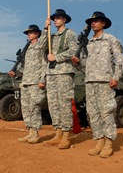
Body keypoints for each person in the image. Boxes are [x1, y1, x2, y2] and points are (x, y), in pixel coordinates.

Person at [72, 11, 123, 158]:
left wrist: (116, 77)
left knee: (106, 112)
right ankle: (99, 141)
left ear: (104, 23)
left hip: (105, 82)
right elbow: (85, 66)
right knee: (93, 114)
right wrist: (77, 64)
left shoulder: (110, 39)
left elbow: (120, 60)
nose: (93, 23)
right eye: (91, 22)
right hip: (90, 82)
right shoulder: (88, 43)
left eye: (96, 21)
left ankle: (108, 142)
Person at [43, 9, 79, 149]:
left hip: (64, 73)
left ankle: (66, 134)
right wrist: (46, 28)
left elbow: (74, 50)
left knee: (64, 104)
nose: (55, 20)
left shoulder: (70, 33)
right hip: (51, 73)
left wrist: (56, 57)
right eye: (54, 18)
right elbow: (41, 45)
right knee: (53, 104)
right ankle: (57, 132)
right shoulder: (52, 36)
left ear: (64, 19)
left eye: (58, 18)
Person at [8, 24, 47, 144]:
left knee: (34, 107)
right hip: (25, 81)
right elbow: (24, 68)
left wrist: (42, 80)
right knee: (25, 108)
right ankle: (29, 131)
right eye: (28, 33)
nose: (29, 35)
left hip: (36, 82)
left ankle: (35, 133)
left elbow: (45, 65)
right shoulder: (27, 49)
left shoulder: (40, 46)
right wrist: (16, 73)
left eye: (31, 32)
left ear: (37, 34)